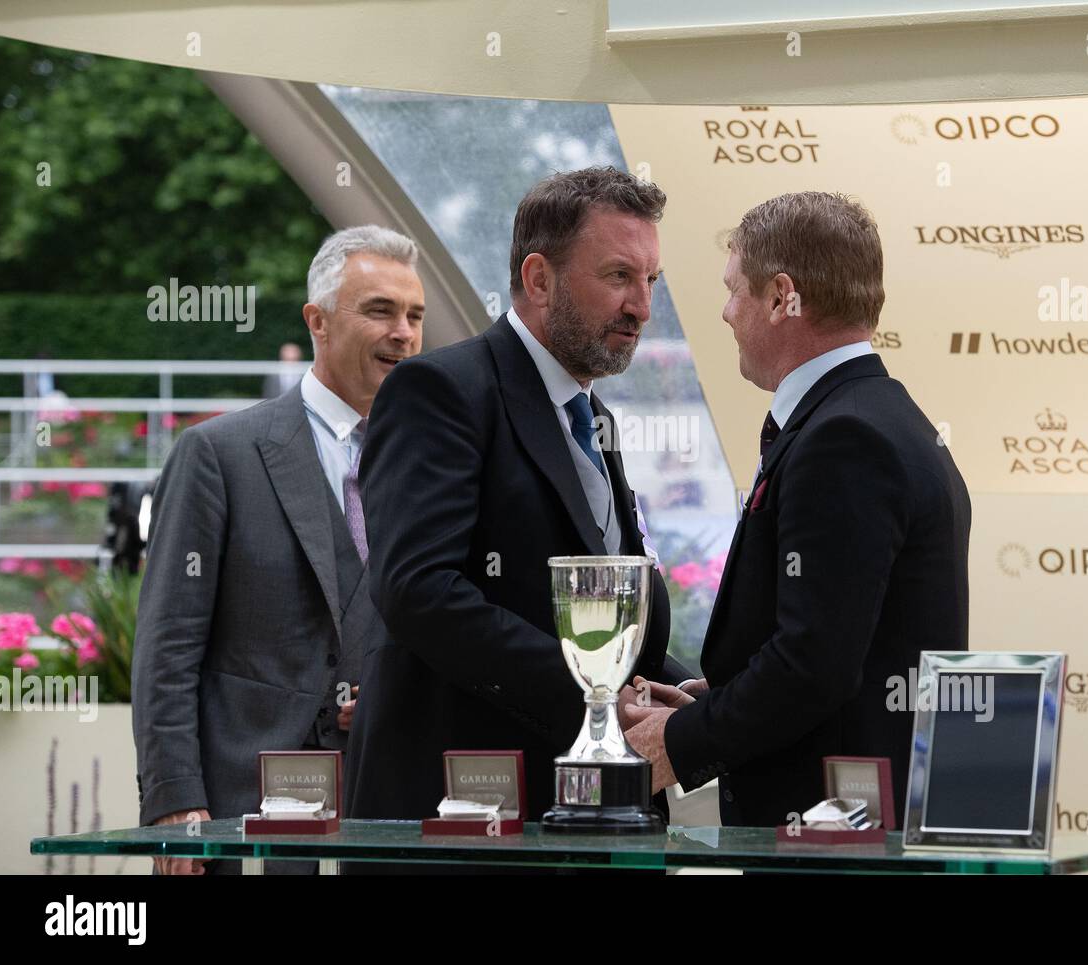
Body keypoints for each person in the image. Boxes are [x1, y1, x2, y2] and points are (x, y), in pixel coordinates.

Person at [345, 167, 692, 829]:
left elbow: (601, 605)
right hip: (466, 825)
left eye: (652, 281)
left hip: (588, 815)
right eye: (620, 276)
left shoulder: (592, 417)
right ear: (539, 279)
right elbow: (420, 590)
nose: (642, 307)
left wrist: (686, 690)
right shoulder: (439, 391)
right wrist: (597, 699)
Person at [624, 192, 971, 827]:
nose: (726, 314)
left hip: (829, 837)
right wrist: (718, 699)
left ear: (784, 296)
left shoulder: (846, 438)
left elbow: (814, 666)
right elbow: (844, 644)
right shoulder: (877, 418)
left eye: (734, 290)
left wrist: (676, 743)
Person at [131, 225, 424, 872]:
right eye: (380, 310)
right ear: (316, 321)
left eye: (414, 315)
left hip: (388, 822)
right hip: (241, 823)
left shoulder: (435, 466)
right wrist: (175, 802)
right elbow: (167, 644)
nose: (404, 332)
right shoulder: (217, 454)